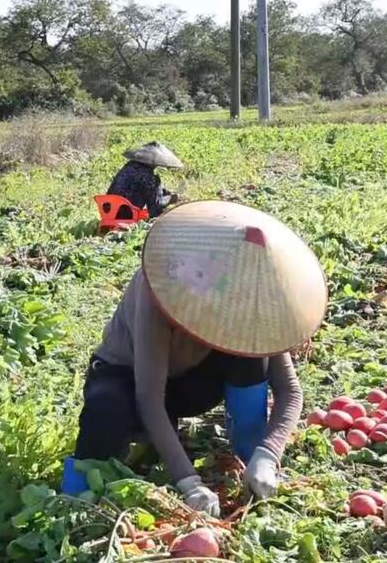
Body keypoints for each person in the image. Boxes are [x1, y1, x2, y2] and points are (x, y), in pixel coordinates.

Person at [60, 201, 328, 517]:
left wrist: (269, 453)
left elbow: (290, 391)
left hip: (187, 387)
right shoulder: (163, 287)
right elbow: (148, 395)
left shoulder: (254, 309)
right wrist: (190, 483)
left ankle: (249, 459)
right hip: (127, 377)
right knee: (107, 408)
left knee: (253, 358)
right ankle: (75, 500)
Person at [107, 141, 182, 218]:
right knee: (156, 182)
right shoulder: (146, 175)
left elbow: (136, 187)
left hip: (107, 210)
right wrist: (170, 199)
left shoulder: (129, 166)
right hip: (124, 213)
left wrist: (161, 191)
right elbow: (154, 209)